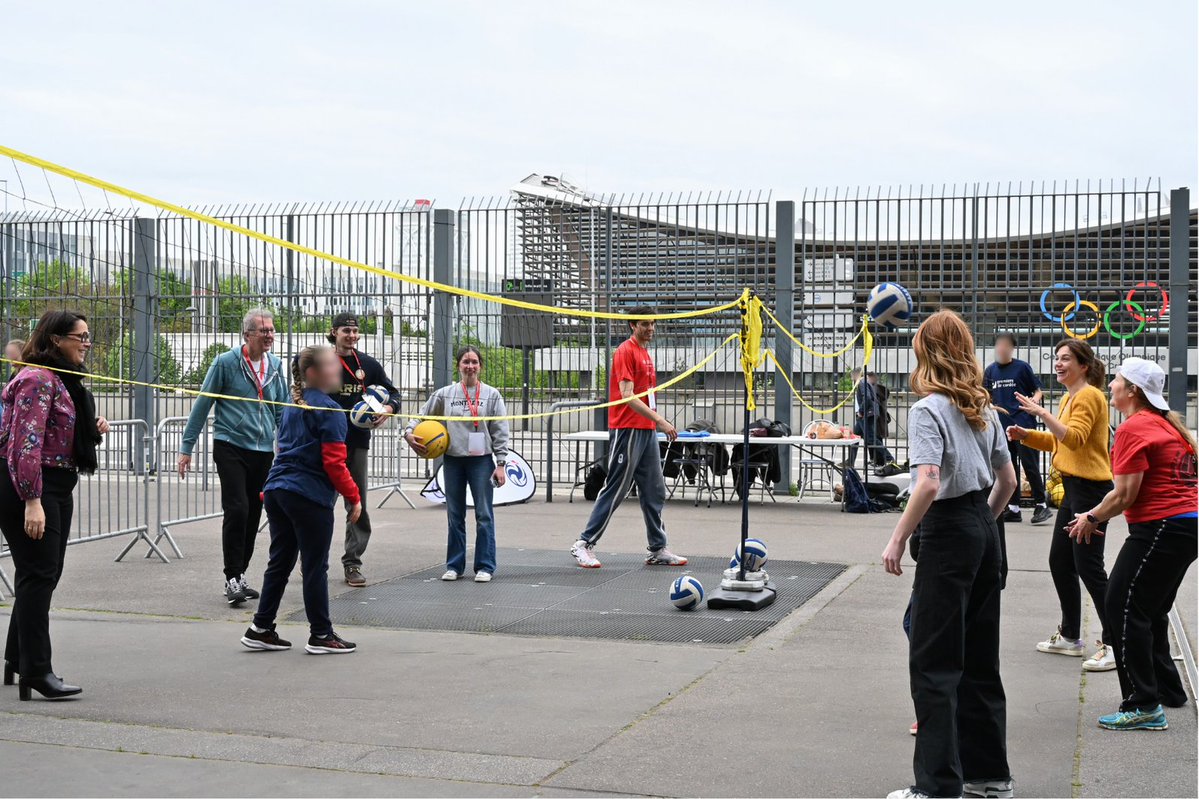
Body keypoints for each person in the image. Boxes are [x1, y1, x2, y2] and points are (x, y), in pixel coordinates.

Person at [881, 310, 1017, 799]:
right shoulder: (981, 406)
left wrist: (898, 538)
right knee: (980, 658)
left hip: (948, 529)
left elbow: (928, 481)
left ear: (925, 353)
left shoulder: (927, 410)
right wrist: (982, 524)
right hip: (983, 527)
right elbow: (1008, 482)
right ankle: (989, 775)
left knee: (934, 659)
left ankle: (937, 786)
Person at [1067, 358, 1197, 731]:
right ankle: (1167, 691)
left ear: (1133, 390)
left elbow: (1124, 495)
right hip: (1186, 527)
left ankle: (1143, 703)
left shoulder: (1134, 429)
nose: (1111, 386)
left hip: (1162, 528)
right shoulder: (1165, 425)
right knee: (1149, 609)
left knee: (1122, 607)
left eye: (1118, 381)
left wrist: (1090, 518)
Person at [0, 311, 108, 700]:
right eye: (80, 336)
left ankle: (17, 657)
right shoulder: (37, 379)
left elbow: (53, 434)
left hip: (58, 484)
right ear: (55, 339)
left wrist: (88, 430)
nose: (86, 342)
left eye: (88, 335)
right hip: (31, 487)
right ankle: (37, 671)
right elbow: (23, 445)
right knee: (39, 575)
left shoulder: (62, 380)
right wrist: (32, 500)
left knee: (42, 574)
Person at [241, 345, 362, 654]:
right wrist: (354, 498)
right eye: (332, 366)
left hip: (278, 491)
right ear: (313, 373)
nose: (339, 370)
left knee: (280, 562)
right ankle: (321, 635)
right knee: (314, 566)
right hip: (306, 495)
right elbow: (335, 463)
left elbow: (283, 451)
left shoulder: (293, 405)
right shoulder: (330, 411)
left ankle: (261, 627)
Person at [1008, 339, 1116, 672]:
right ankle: (1070, 635)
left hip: (1090, 491)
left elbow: (1075, 438)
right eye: (1056, 358)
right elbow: (1058, 440)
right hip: (1074, 490)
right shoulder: (1071, 396)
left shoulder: (1090, 396)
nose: (1058, 363)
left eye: (1065, 358)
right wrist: (1025, 434)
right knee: (1060, 561)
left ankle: (1115, 642)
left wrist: (1040, 413)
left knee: (1089, 568)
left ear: (1083, 365)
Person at [178, 308, 287, 607]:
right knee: (237, 508)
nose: (269, 336)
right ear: (247, 334)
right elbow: (204, 402)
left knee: (254, 512)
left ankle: (240, 574)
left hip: (262, 449)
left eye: (272, 330)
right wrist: (186, 447)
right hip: (230, 445)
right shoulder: (226, 362)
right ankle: (231, 577)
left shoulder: (275, 366)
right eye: (263, 331)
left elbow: (282, 410)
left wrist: (288, 447)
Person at [570, 307, 686, 569]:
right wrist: (660, 420)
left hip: (646, 430)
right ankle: (584, 543)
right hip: (628, 428)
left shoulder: (645, 353)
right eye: (645, 324)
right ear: (633, 325)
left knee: (654, 489)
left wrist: (654, 420)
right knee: (617, 487)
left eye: (653, 324)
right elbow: (626, 394)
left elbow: (645, 394)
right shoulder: (625, 351)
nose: (651, 328)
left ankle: (657, 547)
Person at [405, 346, 510, 582]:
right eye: (465, 362)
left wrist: (501, 463)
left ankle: (485, 566)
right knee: (455, 514)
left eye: (474, 362)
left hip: (481, 461)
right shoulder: (445, 394)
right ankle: (454, 565)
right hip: (453, 460)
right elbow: (422, 416)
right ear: (458, 366)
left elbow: (501, 431)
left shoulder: (492, 395)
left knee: (484, 514)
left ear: (480, 366)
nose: (470, 366)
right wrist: (408, 432)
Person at [325, 312, 401, 588]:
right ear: (334, 332)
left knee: (357, 504)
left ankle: (353, 563)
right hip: (324, 443)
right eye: (346, 330)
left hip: (356, 443)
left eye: (355, 331)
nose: (352, 335)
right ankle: (312, 557)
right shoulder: (322, 361)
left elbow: (394, 393)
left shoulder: (368, 364)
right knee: (318, 503)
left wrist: (389, 408)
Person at [984, 332, 1052, 525]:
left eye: (1005, 345)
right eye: (999, 345)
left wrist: (1034, 402)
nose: (1001, 348)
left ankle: (1042, 504)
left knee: (1029, 465)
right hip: (1001, 427)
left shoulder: (1022, 367)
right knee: (1008, 467)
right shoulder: (990, 371)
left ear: (1012, 348)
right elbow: (986, 396)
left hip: (1022, 423)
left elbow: (1038, 389)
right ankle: (1013, 508)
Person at [852, 367, 896, 472]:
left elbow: (867, 398)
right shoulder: (865, 382)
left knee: (871, 438)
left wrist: (861, 411)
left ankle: (889, 458)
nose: (852, 379)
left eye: (852, 376)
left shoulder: (862, 382)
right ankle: (850, 461)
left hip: (866, 414)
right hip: (866, 414)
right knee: (854, 438)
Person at [0, 339, 26, 427]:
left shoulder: (27, 374)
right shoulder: (15, 374)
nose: (9, 356)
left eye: (12, 352)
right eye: (8, 353)